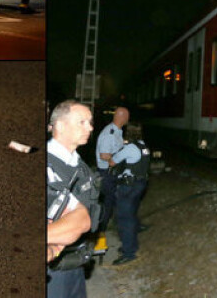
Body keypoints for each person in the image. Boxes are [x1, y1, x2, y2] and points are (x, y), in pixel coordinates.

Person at [46, 100, 100, 298]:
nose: (90, 127)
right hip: (52, 271)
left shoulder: (79, 165)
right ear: (60, 125)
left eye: (90, 122)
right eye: (82, 122)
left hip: (76, 263)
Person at [109, 138, 150, 266]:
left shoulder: (130, 148)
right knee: (131, 214)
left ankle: (128, 252)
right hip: (140, 184)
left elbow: (112, 162)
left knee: (124, 219)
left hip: (128, 186)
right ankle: (131, 244)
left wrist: (113, 155)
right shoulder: (143, 145)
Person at [95, 107, 129, 238]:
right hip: (106, 173)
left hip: (111, 173)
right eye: (127, 116)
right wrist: (115, 160)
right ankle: (101, 231)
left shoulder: (117, 131)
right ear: (122, 117)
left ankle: (111, 226)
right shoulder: (109, 133)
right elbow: (104, 155)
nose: (128, 119)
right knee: (107, 203)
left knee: (114, 201)